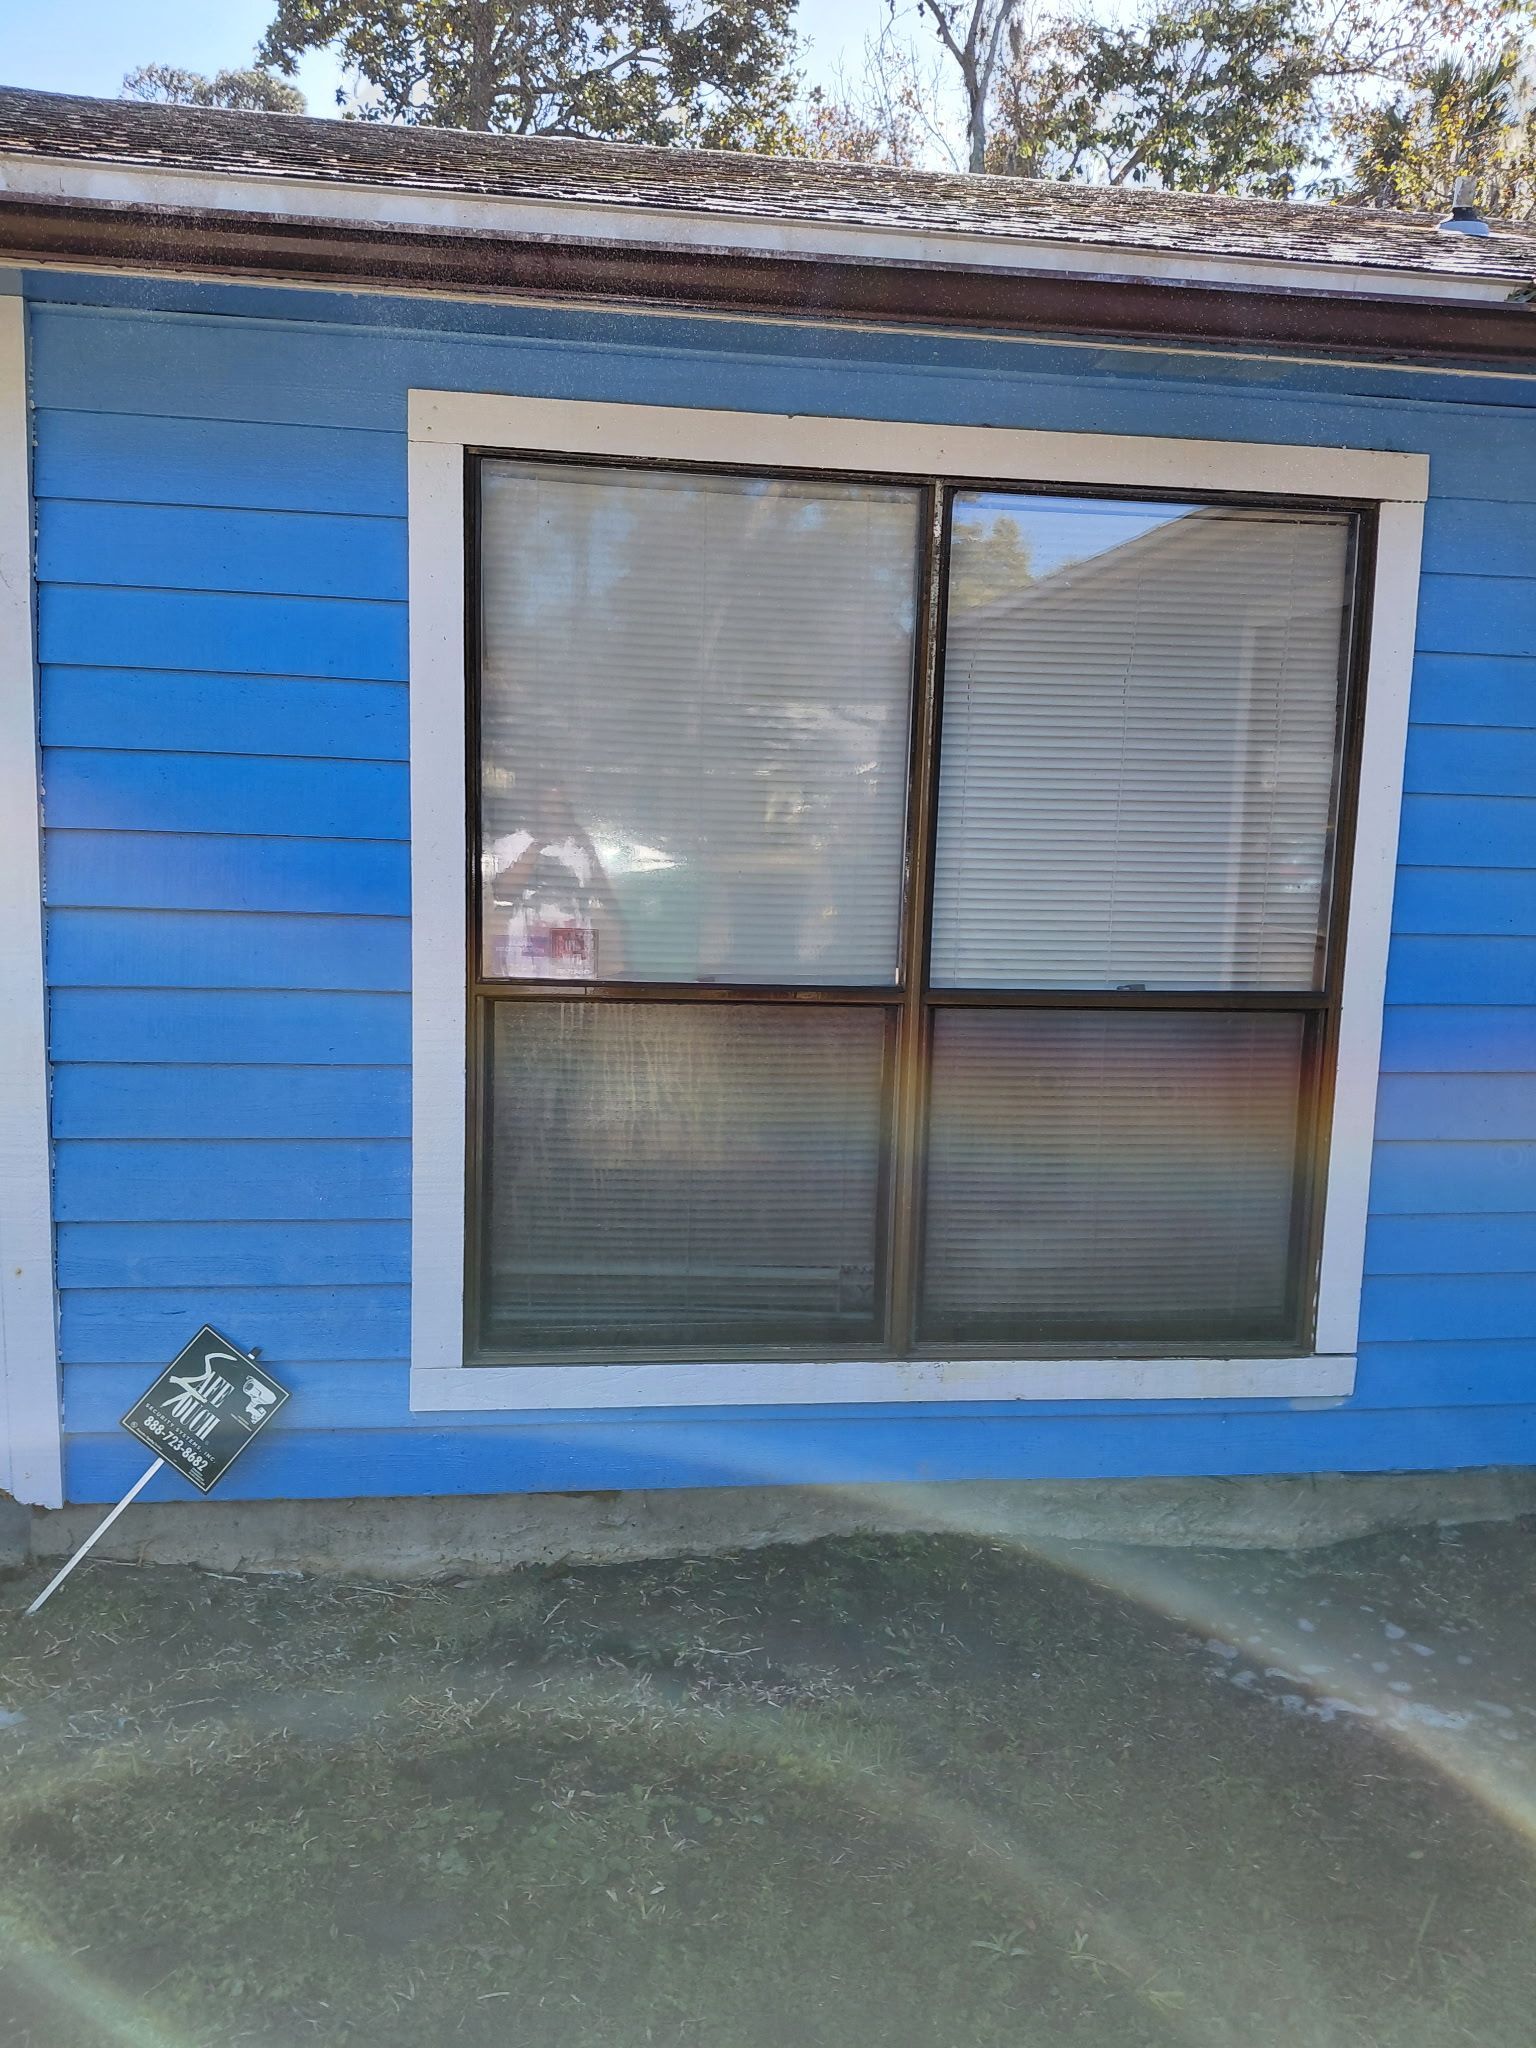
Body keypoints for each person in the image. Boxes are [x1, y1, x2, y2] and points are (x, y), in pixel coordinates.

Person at [484, 778, 625, 979]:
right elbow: (504, 892)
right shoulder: (511, 844)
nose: (555, 812)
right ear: (534, 807)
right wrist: (538, 843)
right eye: (548, 804)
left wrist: (587, 847)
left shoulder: (579, 848)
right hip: (527, 959)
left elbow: (606, 898)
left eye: (561, 805)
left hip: (572, 958)